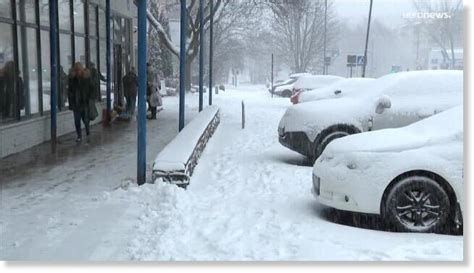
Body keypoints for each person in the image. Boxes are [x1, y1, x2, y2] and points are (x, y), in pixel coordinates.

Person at [68, 62, 93, 142]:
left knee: (85, 119)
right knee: (77, 120)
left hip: (84, 102)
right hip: (76, 103)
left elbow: (91, 88)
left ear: (82, 70)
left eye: (79, 70)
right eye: (76, 70)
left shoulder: (86, 78)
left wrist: (89, 97)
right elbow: (70, 90)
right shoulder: (72, 79)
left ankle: (87, 131)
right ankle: (79, 135)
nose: (78, 72)